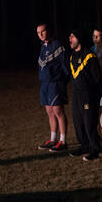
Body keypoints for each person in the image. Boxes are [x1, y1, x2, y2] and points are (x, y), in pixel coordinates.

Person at [67, 30, 102, 161]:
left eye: (72, 36)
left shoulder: (89, 56)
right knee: (78, 122)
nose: (69, 38)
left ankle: (95, 150)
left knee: (89, 123)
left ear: (79, 39)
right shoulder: (72, 56)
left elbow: (97, 78)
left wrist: (95, 96)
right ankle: (84, 146)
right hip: (76, 94)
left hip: (88, 94)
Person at [36, 23, 69, 152]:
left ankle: (63, 141)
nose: (41, 34)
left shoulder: (57, 45)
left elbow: (65, 66)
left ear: (48, 30)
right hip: (45, 83)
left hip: (55, 83)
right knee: (49, 111)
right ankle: (53, 139)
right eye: (38, 32)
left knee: (58, 111)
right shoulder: (43, 47)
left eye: (43, 31)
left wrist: (62, 82)